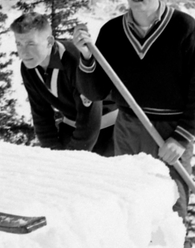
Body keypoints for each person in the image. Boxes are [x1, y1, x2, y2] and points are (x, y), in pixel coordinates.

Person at [71, 0, 195, 212]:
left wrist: (182, 137)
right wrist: (86, 57)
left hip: (170, 133)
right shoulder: (113, 32)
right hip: (128, 128)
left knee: (171, 211)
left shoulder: (184, 29)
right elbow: (95, 91)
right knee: (128, 207)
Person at [10, 11, 117, 156]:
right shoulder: (29, 67)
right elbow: (41, 116)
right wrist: (53, 152)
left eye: (31, 44)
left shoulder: (74, 60)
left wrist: (70, 159)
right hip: (71, 130)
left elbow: (90, 123)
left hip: (107, 134)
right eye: (19, 44)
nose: (23, 52)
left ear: (49, 41)